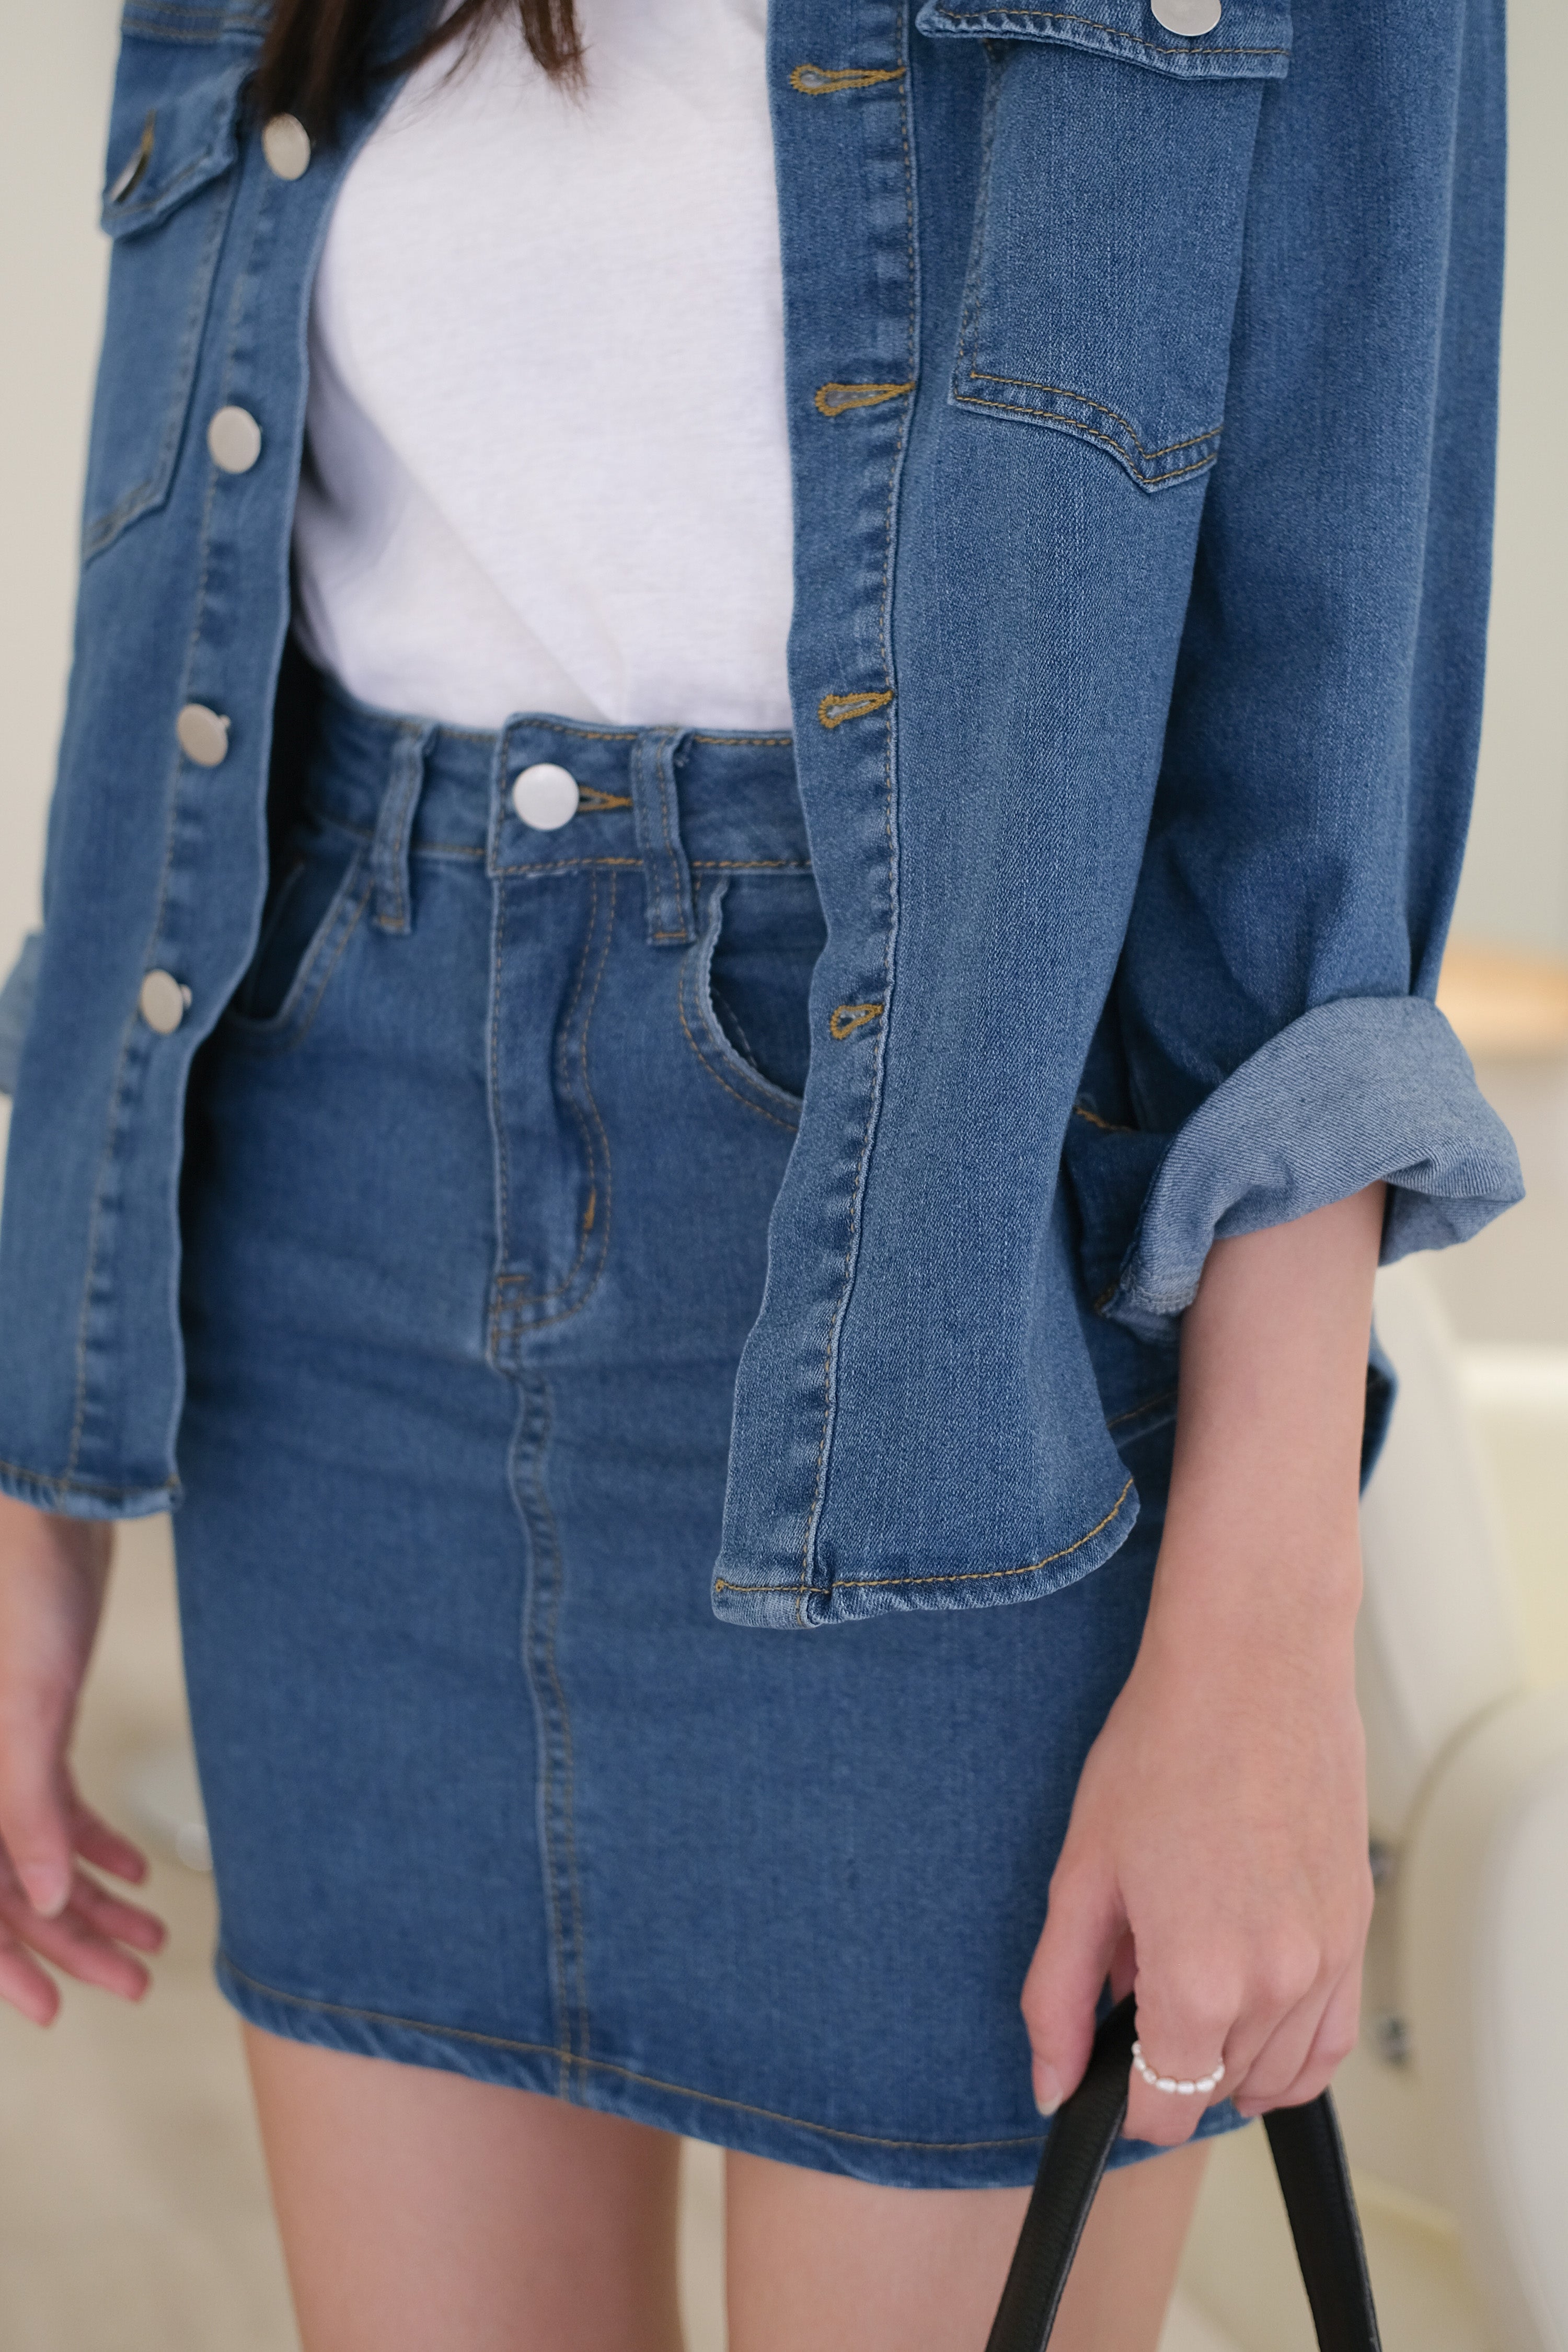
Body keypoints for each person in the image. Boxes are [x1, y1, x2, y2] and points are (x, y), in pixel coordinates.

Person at [0, 0, 1522, 2345]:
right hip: (336, 1247)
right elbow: (168, 628)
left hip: (964, 1296)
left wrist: (1263, 1636)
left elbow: (1327, 712)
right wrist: (39, 1463)